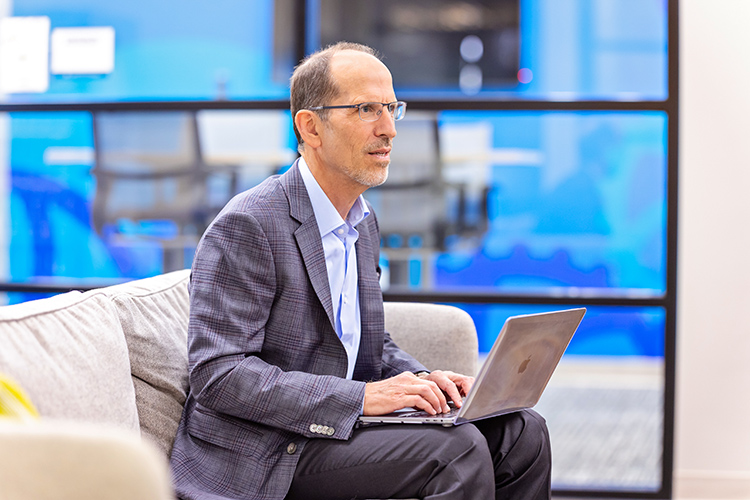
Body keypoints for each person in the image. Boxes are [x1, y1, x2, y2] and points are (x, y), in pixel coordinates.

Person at [170, 41, 552, 500]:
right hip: (265, 451)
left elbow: (367, 344)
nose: (389, 129)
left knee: (522, 432)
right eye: (367, 109)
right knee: (456, 450)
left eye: (392, 108)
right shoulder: (249, 224)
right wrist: (360, 398)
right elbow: (220, 376)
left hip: (335, 432)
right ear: (311, 127)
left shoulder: (360, 220)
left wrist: (424, 379)